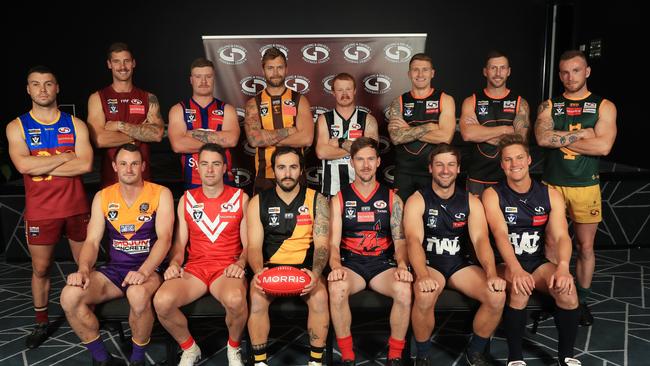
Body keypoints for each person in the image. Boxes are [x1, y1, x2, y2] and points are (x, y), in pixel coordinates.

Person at [60, 144, 174, 366]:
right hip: (115, 271)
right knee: (69, 296)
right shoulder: (103, 196)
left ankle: (137, 360)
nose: (128, 169)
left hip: (149, 269)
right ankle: (103, 359)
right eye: (123, 164)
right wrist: (83, 269)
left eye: (134, 164)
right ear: (114, 167)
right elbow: (92, 241)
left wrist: (143, 271)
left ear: (142, 166)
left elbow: (165, 239)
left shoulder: (160, 193)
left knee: (137, 295)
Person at [5, 66, 93, 348]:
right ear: (28, 90)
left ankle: (84, 312)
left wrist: (41, 164)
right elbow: (22, 165)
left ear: (57, 88)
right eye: (36, 84)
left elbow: (86, 164)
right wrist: (64, 157)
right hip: (41, 211)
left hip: (76, 206)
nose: (42, 89)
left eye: (48, 84)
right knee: (41, 269)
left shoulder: (76, 125)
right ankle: (41, 322)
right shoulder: (17, 126)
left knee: (85, 266)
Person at [482, 134, 582, 366]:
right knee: (520, 288)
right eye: (508, 160)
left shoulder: (550, 194)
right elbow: (499, 234)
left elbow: (561, 236)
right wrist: (515, 269)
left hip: (536, 262)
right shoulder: (493, 194)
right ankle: (515, 358)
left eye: (519, 158)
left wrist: (564, 268)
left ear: (529, 160)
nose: (514, 164)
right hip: (504, 263)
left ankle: (567, 356)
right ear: (502, 165)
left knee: (567, 290)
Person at [404, 143, 506, 366]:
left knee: (496, 295)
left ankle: (476, 352)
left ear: (459, 168)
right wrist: (421, 275)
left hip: (459, 266)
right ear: (430, 168)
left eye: (451, 164)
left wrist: (491, 274)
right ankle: (422, 355)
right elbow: (413, 241)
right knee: (424, 294)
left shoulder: (471, 201)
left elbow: (481, 241)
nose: (445, 170)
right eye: (439, 164)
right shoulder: (417, 200)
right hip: (431, 264)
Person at [535, 50, 617, 326]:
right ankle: (554, 297)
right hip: (552, 185)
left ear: (587, 71)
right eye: (565, 72)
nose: (570, 77)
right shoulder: (549, 105)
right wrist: (584, 134)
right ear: (559, 74)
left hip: (585, 186)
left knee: (585, 247)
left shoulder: (604, 105)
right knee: (550, 244)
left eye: (576, 70)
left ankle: (580, 301)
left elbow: (604, 146)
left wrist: (559, 138)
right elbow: (542, 139)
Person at [154, 143, 249, 366]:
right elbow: (179, 245)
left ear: (225, 168)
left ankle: (233, 348)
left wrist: (241, 262)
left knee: (236, 300)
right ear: (196, 167)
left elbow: (250, 245)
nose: (209, 170)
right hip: (195, 269)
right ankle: (189, 348)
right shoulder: (187, 199)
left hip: (226, 268)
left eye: (216, 164)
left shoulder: (240, 198)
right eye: (204, 164)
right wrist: (175, 263)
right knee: (162, 302)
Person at [328, 137, 411, 365]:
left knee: (404, 290)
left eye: (370, 159)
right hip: (351, 264)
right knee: (336, 289)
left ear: (378, 162)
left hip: (382, 264)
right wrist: (335, 266)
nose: (365, 165)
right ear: (352, 163)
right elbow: (332, 244)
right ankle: (347, 356)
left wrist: (402, 264)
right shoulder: (340, 199)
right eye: (360, 160)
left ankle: (394, 355)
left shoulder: (393, 199)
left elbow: (400, 240)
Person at [247, 147, 330, 366]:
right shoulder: (257, 201)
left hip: (305, 268)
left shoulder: (317, 200)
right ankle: (259, 362)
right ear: (273, 170)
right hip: (270, 267)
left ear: (301, 170)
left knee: (320, 297)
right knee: (256, 298)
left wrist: (315, 273)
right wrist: (258, 272)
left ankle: (315, 362)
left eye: (293, 167)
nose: (287, 173)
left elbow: (322, 246)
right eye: (281, 167)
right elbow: (254, 246)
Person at [87, 42, 164, 187]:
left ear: (133, 63)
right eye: (117, 61)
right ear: (109, 64)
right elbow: (100, 139)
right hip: (111, 181)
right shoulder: (97, 97)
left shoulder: (148, 97)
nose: (122, 67)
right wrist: (140, 134)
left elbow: (157, 134)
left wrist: (118, 125)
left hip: (143, 180)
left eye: (126, 61)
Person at [459, 51, 530, 196]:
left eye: (502, 68)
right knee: (477, 218)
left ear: (508, 71)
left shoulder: (520, 103)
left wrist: (481, 133)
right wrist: (506, 129)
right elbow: (467, 134)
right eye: (493, 68)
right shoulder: (471, 101)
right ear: (485, 71)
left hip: (509, 176)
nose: (498, 73)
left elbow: (520, 140)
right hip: (477, 177)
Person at [244, 47, 314, 193]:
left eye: (279, 67)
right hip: (265, 176)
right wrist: (290, 131)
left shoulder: (299, 100)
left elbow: (307, 138)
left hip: (295, 176)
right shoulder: (253, 103)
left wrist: (267, 136)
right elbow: (255, 140)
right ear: (263, 71)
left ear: (286, 69)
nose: (275, 73)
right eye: (270, 68)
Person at [387, 53, 456, 202]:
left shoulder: (445, 99)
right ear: (409, 73)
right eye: (415, 70)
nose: (420, 74)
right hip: (404, 172)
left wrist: (408, 129)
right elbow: (396, 137)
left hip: (433, 171)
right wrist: (430, 127)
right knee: (402, 219)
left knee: (432, 219)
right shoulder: (398, 102)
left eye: (425, 70)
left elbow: (445, 137)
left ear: (432, 73)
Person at [168, 58, 240, 189]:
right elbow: (178, 145)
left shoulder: (227, 109)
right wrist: (217, 139)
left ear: (214, 79)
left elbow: (232, 140)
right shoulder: (179, 109)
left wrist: (191, 134)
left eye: (208, 76)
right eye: (198, 77)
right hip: (192, 182)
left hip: (224, 182)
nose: (203, 81)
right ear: (191, 80)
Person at [315, 73, 379, 197]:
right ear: (333, 92)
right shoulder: (324, 119)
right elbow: (321, 152)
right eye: (340, 90)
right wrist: (358, 149)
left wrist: (340, 142)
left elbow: (371, 151)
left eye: (348, 89)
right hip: (332, 189)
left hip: (362, 190)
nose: (345, 93)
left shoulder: (368, 119)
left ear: (354, 91)